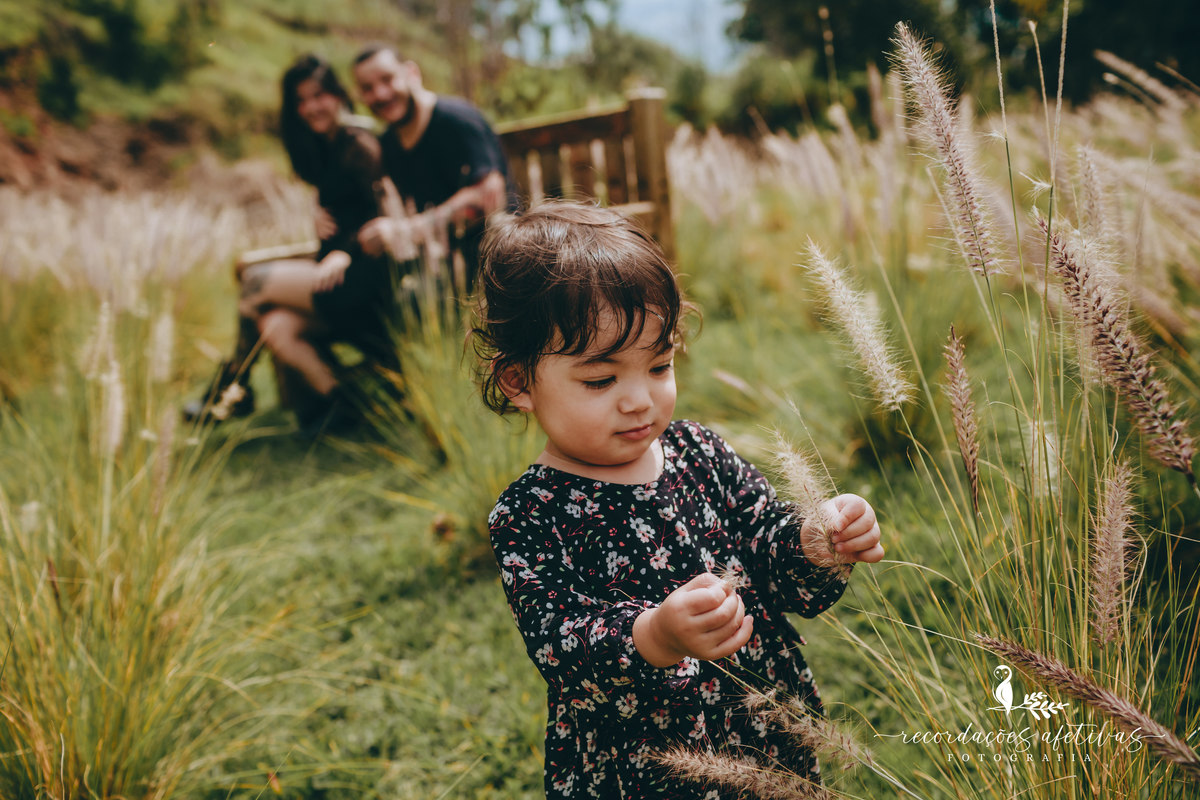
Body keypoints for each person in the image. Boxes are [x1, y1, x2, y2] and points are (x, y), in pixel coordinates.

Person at [472, 202, 886, 799]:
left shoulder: (697, 451)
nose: (639, 400)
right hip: (647, 767)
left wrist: (817, 540)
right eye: (600, 379)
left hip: (759, 730)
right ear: (518, 382)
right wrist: (654, 636)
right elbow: (560, 644)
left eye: (659, 364)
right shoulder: (530, 515)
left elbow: (771, 550)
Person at [183, 53, 389, 433]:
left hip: (363, 281)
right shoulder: (325, 148)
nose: (311, 107)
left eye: (319, 95)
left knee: (254, 282)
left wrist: (346, 251)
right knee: (276, 324)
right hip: (332, 277)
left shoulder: (361, 145)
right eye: (301, 100)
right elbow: (348, 208)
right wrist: (319, 211)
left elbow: (385, 214)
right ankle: (347, 408)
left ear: (338, 95)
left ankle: (234, 388)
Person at [351, 45, 515, 294]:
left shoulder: (458, 120)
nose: (381, 94)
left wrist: (408, 231)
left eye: (387, 79)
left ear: (411, 73)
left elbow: (489, 197)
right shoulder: (388, 143)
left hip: (496, 264)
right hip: (437, 268)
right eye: (368, 88)